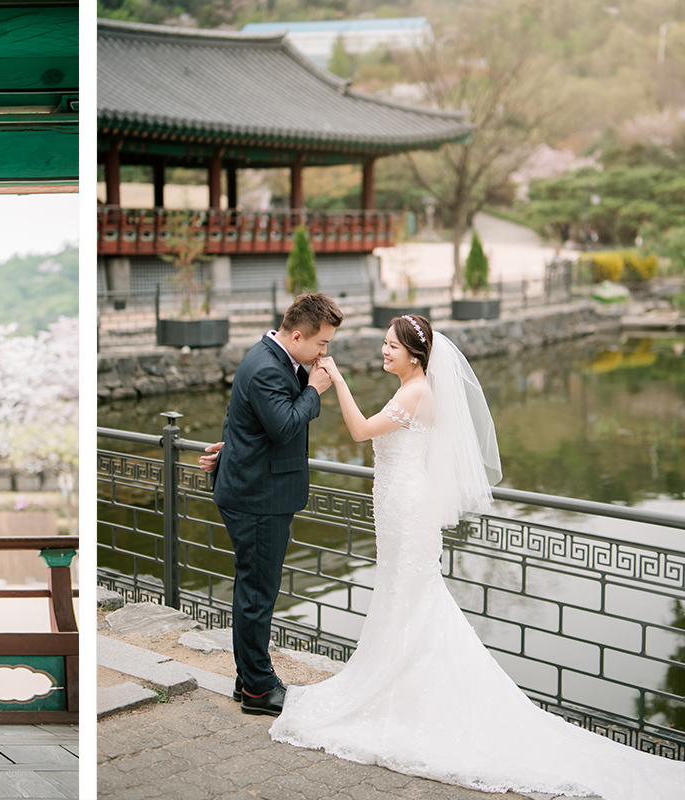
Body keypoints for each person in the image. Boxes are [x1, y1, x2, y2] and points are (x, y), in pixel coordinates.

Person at [269, 316, 685, 799]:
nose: (383, 352)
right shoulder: (415, 388)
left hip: (406, 506)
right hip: (398, 502)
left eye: (390, 346)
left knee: (411, 592)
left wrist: (334, 380)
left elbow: (361, 431)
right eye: (383, 344)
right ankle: (396, 681)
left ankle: (405, 692)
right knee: (403, 593)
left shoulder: (415, 392)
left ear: (415, 355)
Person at [198, 293, 342, 716]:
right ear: (297, 335)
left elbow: (242, 419)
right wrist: (315, 390)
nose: (324, 352)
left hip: (253, 485)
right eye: (321, 344)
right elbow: (282, 427)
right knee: (257, 593)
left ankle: (250, 678)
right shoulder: (266, 367)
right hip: (258, 497)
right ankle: (259, 689)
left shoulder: (269, 358)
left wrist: (233, 447)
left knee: (253, 588)